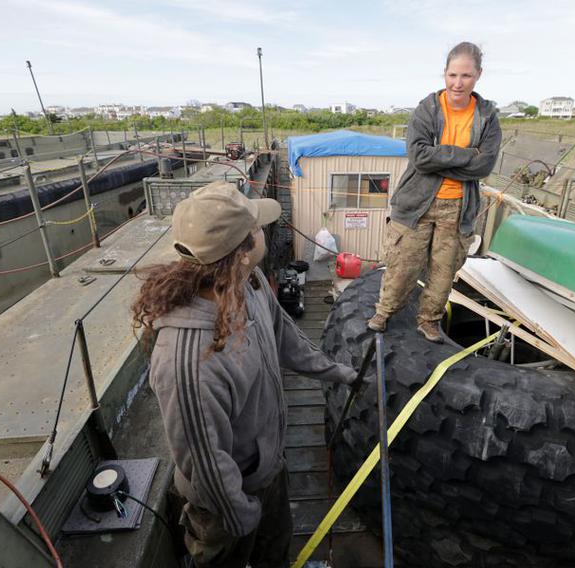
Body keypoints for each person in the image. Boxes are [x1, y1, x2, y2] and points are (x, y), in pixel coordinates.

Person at [132, 181, 358, 568]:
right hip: (227, 507)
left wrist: (338, 372)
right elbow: (205, 465)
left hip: (268, 472)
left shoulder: (247, 283)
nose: (263, 231)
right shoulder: (189, 361)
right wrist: (242, 516)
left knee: (276, 550)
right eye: (256, 228)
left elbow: (285, 336)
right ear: (240, 253)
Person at [368, 41, 502, 343]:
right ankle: (384, 311)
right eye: (453, 75)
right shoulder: (427, 109)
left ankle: (429, 320)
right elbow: (419, 157)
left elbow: (484, 165)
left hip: (458, 207)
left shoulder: (487, 116)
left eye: (466, 76)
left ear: (478, 75)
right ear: (444, 73)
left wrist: (440, 157)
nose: (458, 83)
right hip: (416, 203)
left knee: (443, 272)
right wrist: (467, 155)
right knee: (403, 263)